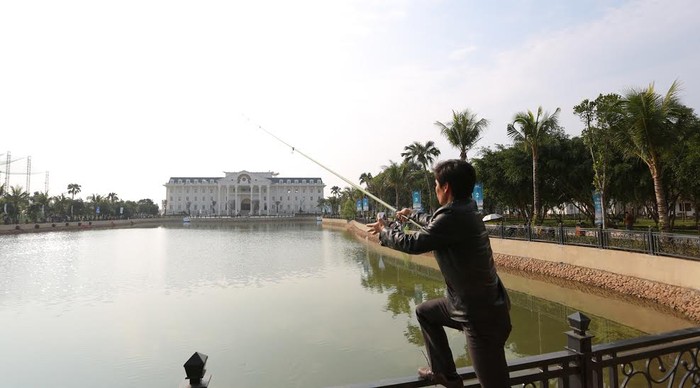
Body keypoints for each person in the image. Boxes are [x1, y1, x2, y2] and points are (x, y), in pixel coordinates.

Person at [367, 159, 512, 388]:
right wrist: (412, 214)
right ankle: (445, 374)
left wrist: (385, 230)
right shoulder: (466, 209)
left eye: (436, 184)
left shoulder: (454, 217)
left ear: (446, 188)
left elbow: (413, 243)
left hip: (480, 318)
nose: (435, 189)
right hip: (472, 306)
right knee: (425, 312)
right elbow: (434, 223)